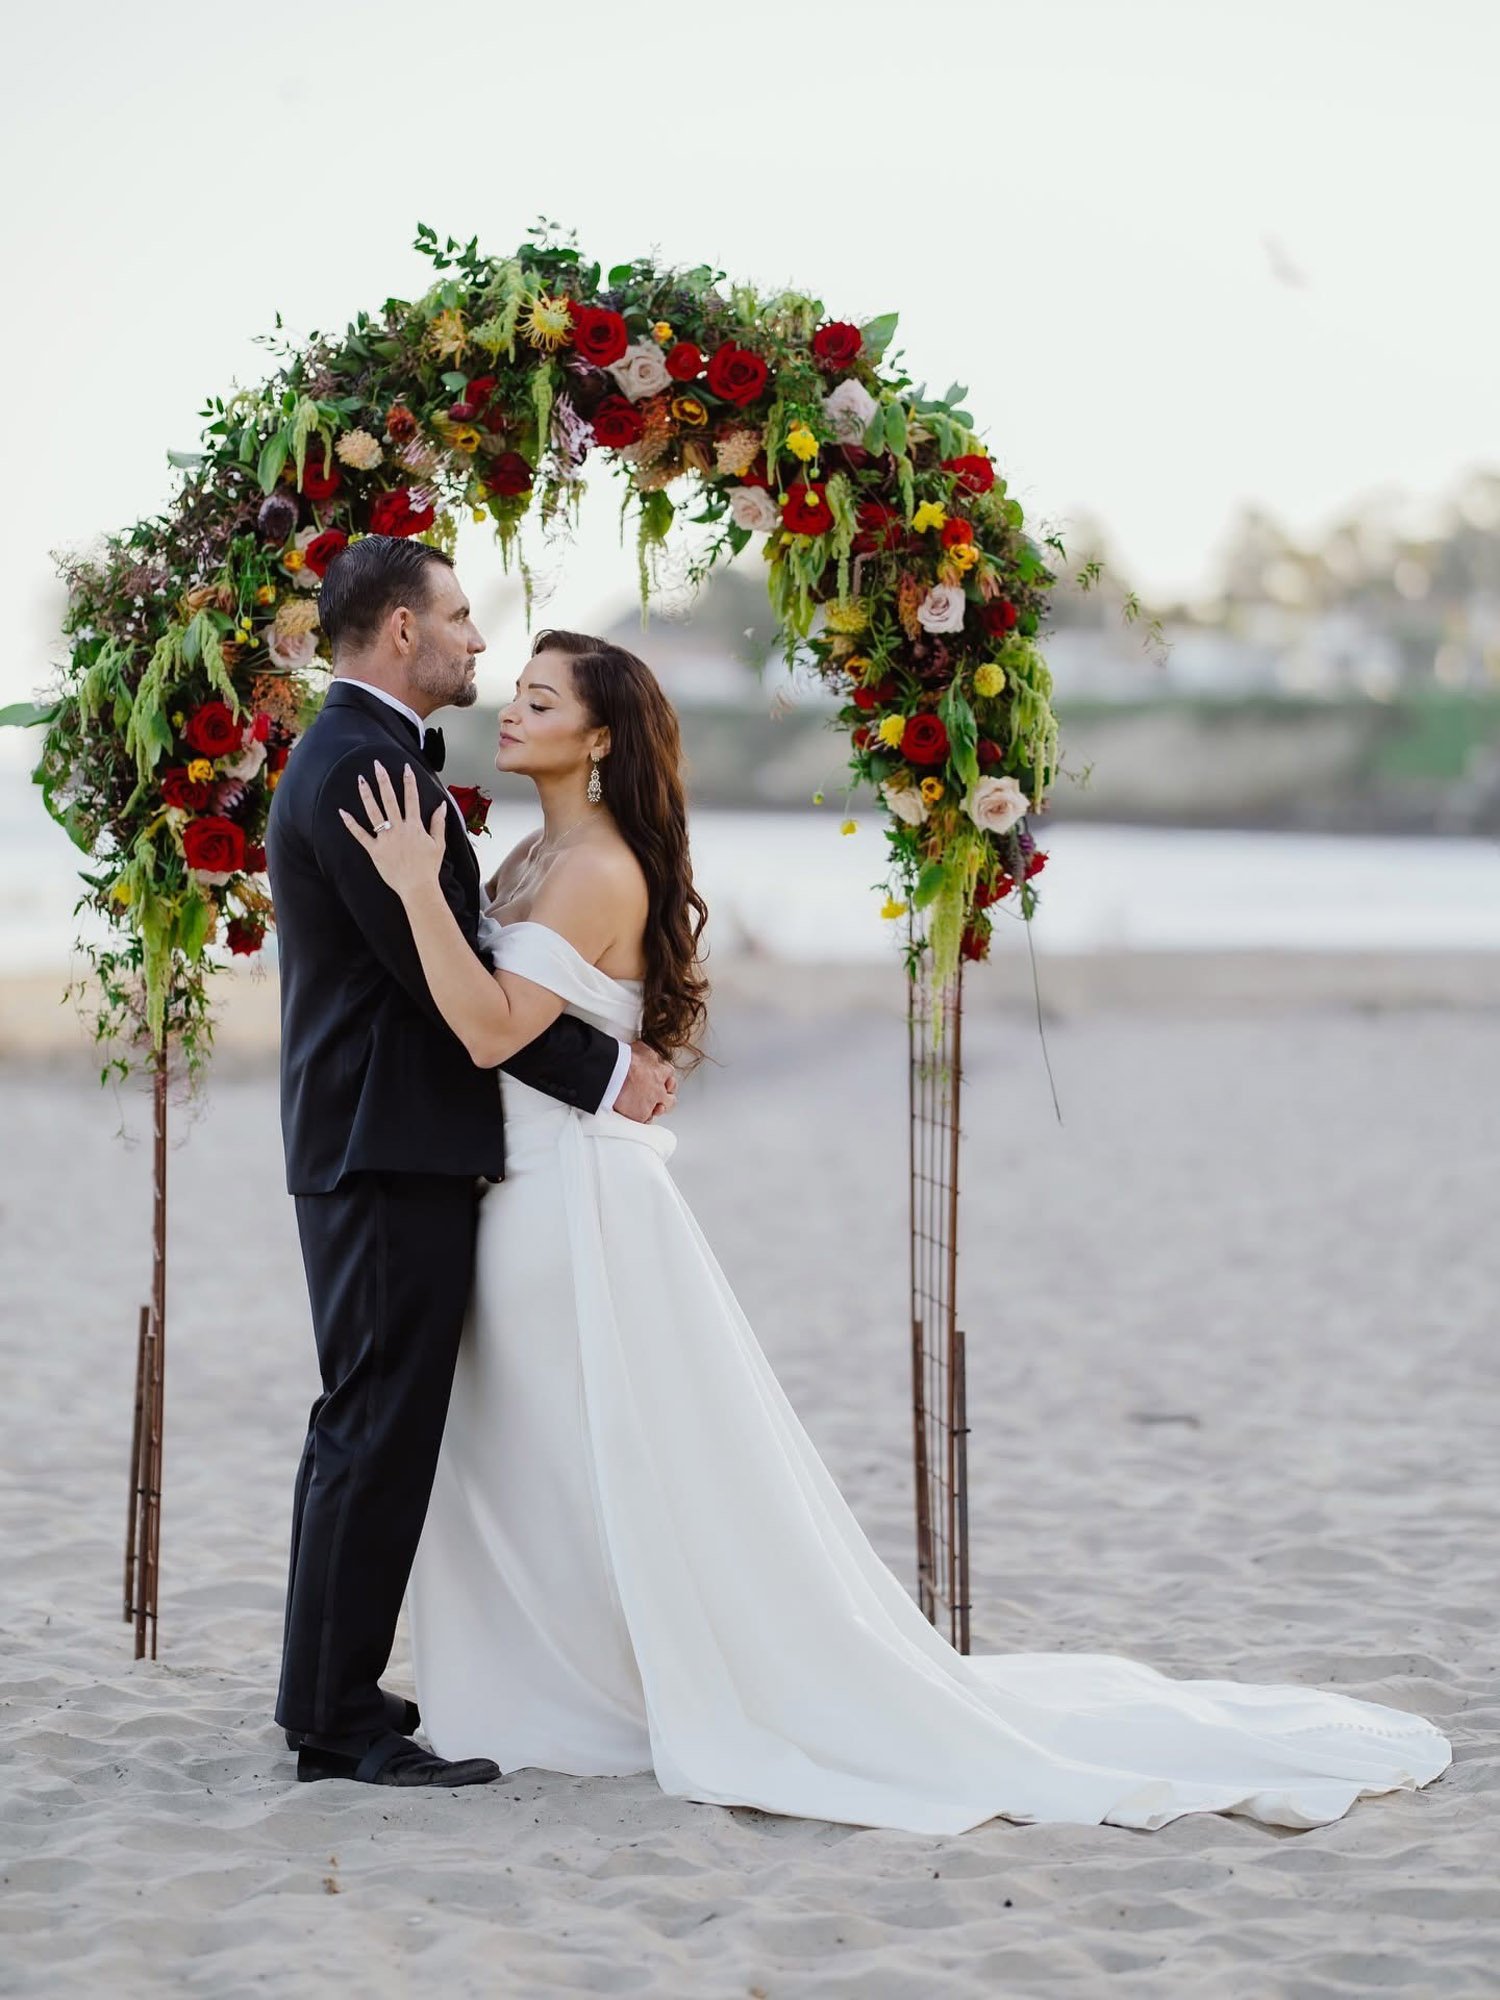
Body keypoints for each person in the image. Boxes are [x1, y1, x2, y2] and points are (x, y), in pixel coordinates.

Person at [336, 626, 1453, 1834]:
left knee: (588, 1453)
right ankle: (552, 1678)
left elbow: (495, 1026)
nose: (510, 708)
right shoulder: (532, 848)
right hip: (528, 1180)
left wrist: (411, 891)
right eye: (519, 690)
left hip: (570, 1200)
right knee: (541, 1459)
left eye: (540, 698)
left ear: (599, 739)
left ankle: (595, 1687)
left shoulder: (596, 864)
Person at [264, 538, 677, 1788]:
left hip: (384, 1138)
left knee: (367, 1420)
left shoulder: (368, 758)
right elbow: (462, 1006)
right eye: (456, 616)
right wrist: (615, 1076)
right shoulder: (369, 774)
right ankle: (336, 1719)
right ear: (399, 631)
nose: (476, 643)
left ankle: (327, 1696)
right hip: (389, 1143)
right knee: (377, 1425)